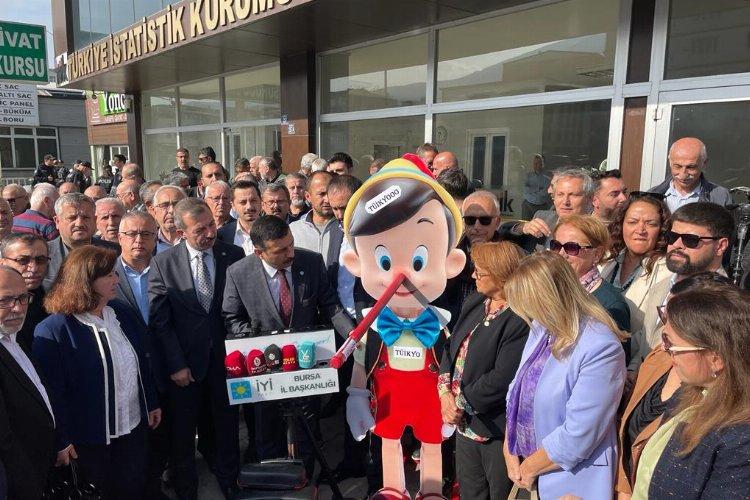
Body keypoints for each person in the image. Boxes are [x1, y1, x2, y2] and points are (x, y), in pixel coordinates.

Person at [342, 155, 467, 498]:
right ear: (355, 263)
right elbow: (361, 361)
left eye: (418, 261)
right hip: (389, 393)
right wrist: (356, 394)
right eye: (383, 261)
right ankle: (393, 488)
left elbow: (451, 361)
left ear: (452, 263)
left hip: (429, 392)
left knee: (432, 443)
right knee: (388, 441)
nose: (400, 274)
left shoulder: (441, 324)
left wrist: (450, 397)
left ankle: (431, 489)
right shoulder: (372, 323)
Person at [223, 214, 354, 471]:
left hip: (305, 364)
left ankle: (306, 474)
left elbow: (330, 306)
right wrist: (261, 341)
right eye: (281, 250)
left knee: (307, 425)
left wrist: (352, 336)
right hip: (265, 371)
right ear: (260, 252)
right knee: (267, 426)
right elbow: (231, 318)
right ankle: (273, 476)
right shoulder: (239, 273)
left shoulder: (311, 262)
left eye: (291, 244)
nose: (290, 253)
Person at [34, 246, 160, 500]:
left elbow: (140, 363)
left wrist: (151, 402)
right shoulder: (54, 330)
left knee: (132, 487)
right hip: (87, 440)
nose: (117, 280)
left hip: (132, 429)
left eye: (115, 274)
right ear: (86, 280)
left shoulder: (121, 313)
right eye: (109, 275)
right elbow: (53, 393)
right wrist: (62, 440)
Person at [503, 251, 626, 498]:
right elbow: (518, 391)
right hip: (530, 472)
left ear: (550, 298)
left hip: (570, 481)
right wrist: (509, 447)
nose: (527, 312)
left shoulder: (601, 347)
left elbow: (580, 433)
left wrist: (529, 467)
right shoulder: (542, 328)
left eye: (529, 303)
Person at [149, 199, 244, 499]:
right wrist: (176, 364)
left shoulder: (233, 255)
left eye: (211, 225)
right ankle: (186, 487)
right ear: (181, 232)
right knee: (183, 431)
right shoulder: (163, 263)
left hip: (226, 361)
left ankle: (230, 479)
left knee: (227, 424)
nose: (209, 233)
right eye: (200, 230)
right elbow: (161, 321)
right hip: (185, 365)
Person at [615, 273, 732, 499]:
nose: (664, 331)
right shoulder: (657, 358)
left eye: (676, 322)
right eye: (664, 315)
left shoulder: (723, 412)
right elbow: (627, 437)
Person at [439, 242, 530, 499]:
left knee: (499, 493)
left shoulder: (520, 317)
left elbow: (502, 377)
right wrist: (444, 393)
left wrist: (459, 403)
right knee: (470, 492)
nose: (473, 275)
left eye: (480, 272)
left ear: (501, 276)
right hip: (463, 425)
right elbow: (451, 346)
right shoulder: (476, 301)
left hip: (495, 429)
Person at [639, 202, 734, 351]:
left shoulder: (724, 302)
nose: (677, 245)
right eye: (672, 237)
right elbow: (644, 341)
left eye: (691, 240)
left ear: (720, 246)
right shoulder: (663, 285)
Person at [0, 266, 56, 500]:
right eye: (5, 301)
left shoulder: (15, 337)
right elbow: (4, 440)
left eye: (23, 298)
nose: (18, 308)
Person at [601, 196, 672, 336]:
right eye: (632, 222)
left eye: (650, 224)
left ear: (662, 230)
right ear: (621, 225)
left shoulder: (667, 271)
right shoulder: (605, 258)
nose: (640, 230)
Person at [552, 215, 631, 333]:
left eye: (572, 247)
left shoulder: (611, 305)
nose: (561, 254)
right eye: (556, 246)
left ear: (597, 254)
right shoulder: (549, 287)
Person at [43, 193, 120, 291]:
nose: (79, 224)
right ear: (57, 221)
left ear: (95, 221)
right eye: (72, 218)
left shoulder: (116, 252)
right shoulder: (43, 255)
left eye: (85, 217)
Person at [505, 168, 594, 249]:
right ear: (554, 198)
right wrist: (523, 227)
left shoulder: (596, 231)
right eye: (560, 195)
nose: (565, 202)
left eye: (573, 195)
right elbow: (506, 235)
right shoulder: (543, 218)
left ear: (590, 199)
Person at [648, 137, 732, 212]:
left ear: (704, 163)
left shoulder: (720, 196)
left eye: (691, 167)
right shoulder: (652, 195)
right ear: (670, 162)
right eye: (677, 166)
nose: (683, 175)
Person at [0, 233, 51, 353]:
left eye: (40, 260)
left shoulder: (58, 299)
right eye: (23, 260)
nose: (33, 268)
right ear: (2, 263)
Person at [289, 171, 342, 283]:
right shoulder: (294, 230)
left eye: (330, 193)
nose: (327, 199)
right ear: (308, 196)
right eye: (321, 194)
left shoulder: (345, 228)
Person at [217, 180, 261, 254]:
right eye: (243, 202)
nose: (249, 207)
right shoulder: (222, 235)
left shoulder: (275, 231)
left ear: (260, 202)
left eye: (253, 200)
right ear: (233, 205)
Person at [152, 186, 187, 253]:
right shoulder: (148, 242)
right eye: (164, 205)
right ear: (154, 211)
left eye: (177, 204)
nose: (171, 210)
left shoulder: (196, 239)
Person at [521, 154, 552, 220]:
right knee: (525, 224)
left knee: (540, 224)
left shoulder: (548, 177)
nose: (537, 165)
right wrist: (538, 189)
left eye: (539, 163)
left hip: (542, 205)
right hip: (528, 204)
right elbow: (525, 190)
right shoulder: (528, 176)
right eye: (535, 163)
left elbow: (544, 192)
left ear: (543, 164)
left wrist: (532, 190)